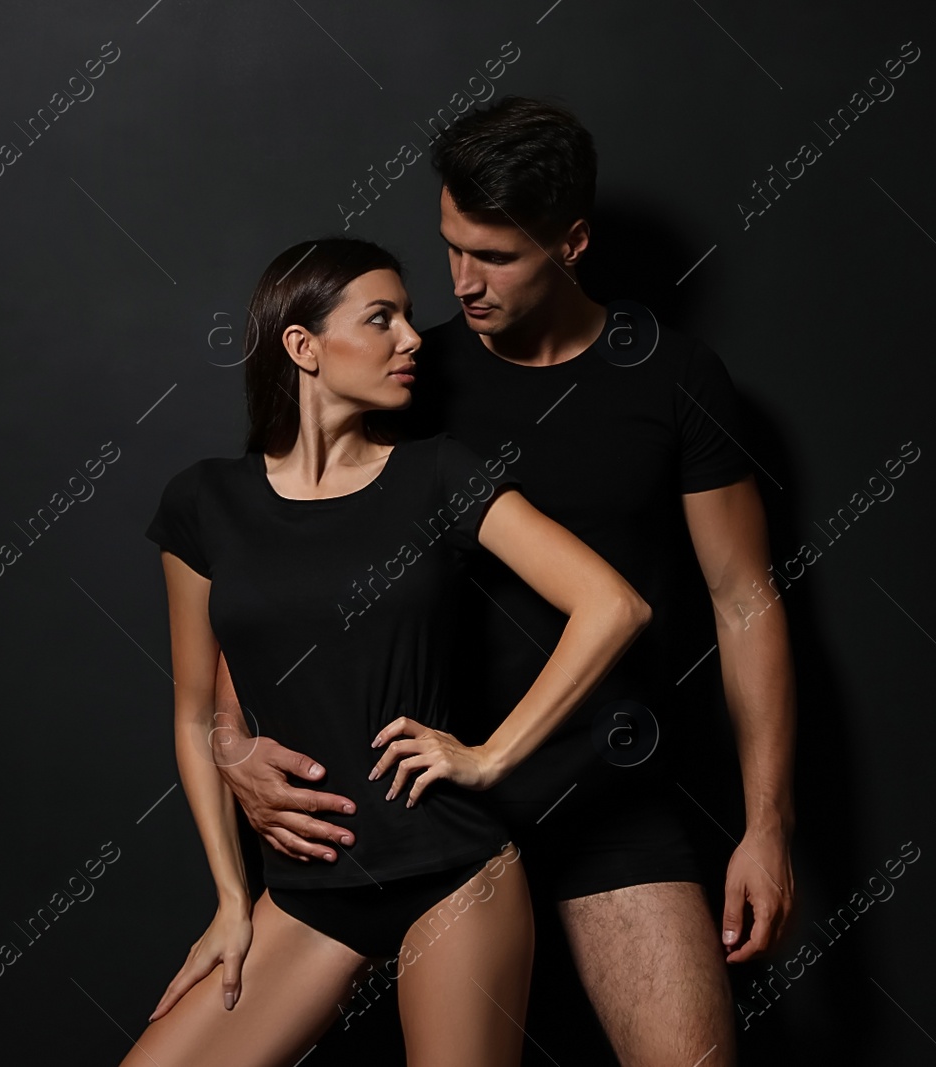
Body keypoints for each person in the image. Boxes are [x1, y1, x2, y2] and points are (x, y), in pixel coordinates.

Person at [204, 98, 799, 1066]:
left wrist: (767, 826)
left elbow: (745, 597)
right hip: (414, 811)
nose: (463, 282)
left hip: (606, 799)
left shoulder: (674, 378)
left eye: (496, 256)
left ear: (571, 241)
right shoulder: (404, 377)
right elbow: (275, 552)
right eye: (450, 247)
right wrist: (233, 738)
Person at [121, 237, 655, 1067]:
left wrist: (488, 756)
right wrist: (232, 898)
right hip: (306, 893)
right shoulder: (204, 503)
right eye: (382, 318)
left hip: (452, 873)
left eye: (408, 316)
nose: (413, 337)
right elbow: (196, 712)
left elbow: (613, 603)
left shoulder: (439, 473)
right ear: (303, 346)